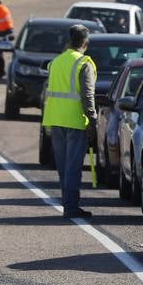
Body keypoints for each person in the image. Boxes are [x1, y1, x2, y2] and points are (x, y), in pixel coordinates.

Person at [40, 24, 97, 219]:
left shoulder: (56, 62)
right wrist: (93, 121)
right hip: (74, 121)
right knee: (73, 168)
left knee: (64, 168)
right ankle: (71, 207)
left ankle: (68, 204)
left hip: (55, 120)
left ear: (69, 41)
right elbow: (88, 97)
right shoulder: (84, 63)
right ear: (86, 43)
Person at [0, 0, 13, 81]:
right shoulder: (4, 10)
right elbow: (9, 25)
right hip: (1, 39)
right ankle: (1, 73)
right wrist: (10, 33)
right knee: (0, 56)